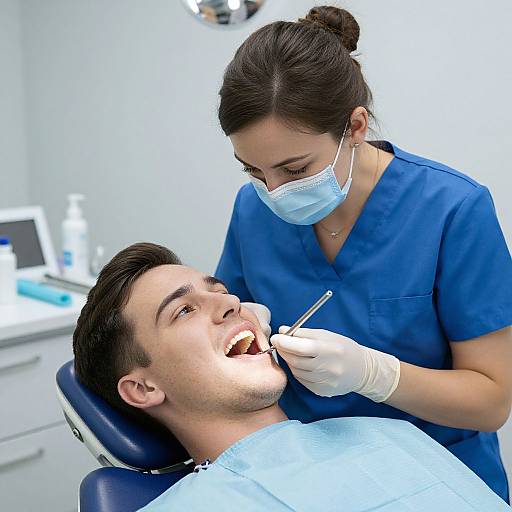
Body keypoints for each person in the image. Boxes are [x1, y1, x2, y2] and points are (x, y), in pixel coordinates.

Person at [214, 4, 512, 501]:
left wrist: (375, 374)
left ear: (355, 127)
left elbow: (492, 401)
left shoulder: (452, 210)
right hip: (309, 477)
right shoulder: (253, 208)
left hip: (437, 480)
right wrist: (243, 323)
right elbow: (230, 322)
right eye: (252, 171)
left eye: (294, 169)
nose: (274, 190)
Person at [73, 243, 510, 511]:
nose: (231, 305)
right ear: (143, 388)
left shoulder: (388, 435)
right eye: (184, 310)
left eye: (222, 292)